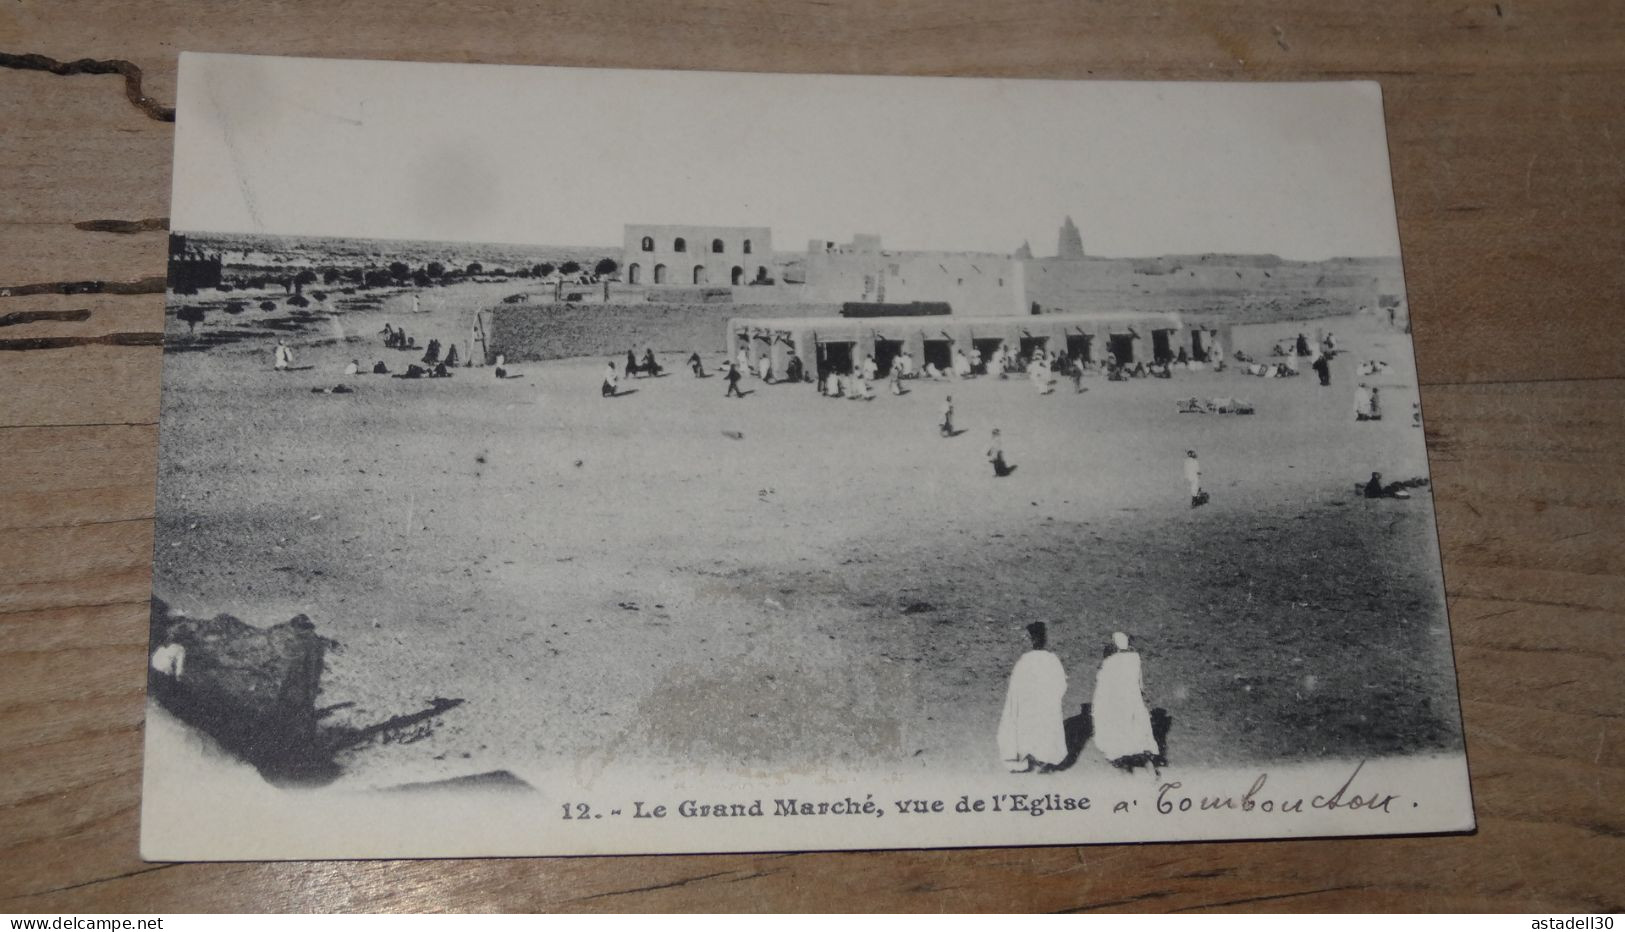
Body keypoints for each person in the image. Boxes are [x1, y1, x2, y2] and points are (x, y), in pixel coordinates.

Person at [996, 622, 1068, 773]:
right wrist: (1053, 699)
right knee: (1044, 729)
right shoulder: (1052, 660)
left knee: (1028, 730)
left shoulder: (1025, 661)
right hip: (1046, 705)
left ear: (1031, 640)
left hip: (1028, 706)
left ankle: (1027, 760)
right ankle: (1043, 761)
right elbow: (1061, 684)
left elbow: (1015, 687)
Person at [1091, 632, 1159, 771]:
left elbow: (1103, 685)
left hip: (1119, 705)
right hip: (1135, 703)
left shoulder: (1110, 663)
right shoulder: (1135, 658)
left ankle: (1126, 774)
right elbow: (1141, 685)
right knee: (1140, 737)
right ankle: (1151, 772)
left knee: (1120, 740)